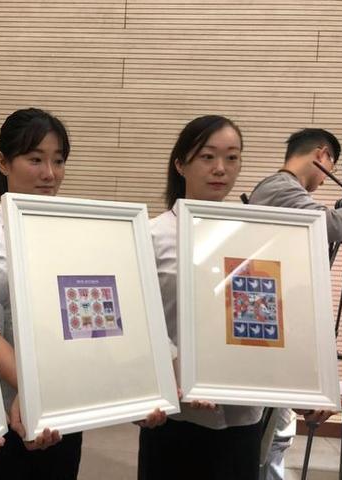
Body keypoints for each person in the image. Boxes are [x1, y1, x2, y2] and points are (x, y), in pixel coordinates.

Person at [0, 107, 166, 479]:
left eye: (58, 160)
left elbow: (104, 324)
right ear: (3, 162)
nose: (50, 173)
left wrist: (134, 388)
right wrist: (35, 392)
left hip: (64, 412)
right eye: (35, 159)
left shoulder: (78, 235)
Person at [139, 115, 264, 479]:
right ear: (180, 164)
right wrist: (179, 369)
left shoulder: (258, 237)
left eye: (232, 157)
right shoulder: (151, 236)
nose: (220, 168)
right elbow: (139, 320)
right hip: (175, 415)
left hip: (242, 415)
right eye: (207, 157)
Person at [248, 128, 342, 479]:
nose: (326, 180)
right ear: (322, 155)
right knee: (268, 438)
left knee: (277, 435)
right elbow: (328, 225)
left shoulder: (282, 190)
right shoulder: (279, 187)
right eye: (331, 169)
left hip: (278, 321)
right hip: (268, 324)